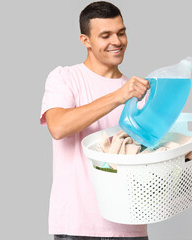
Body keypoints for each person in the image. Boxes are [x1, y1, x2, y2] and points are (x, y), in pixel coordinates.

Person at [40, 1, 150, 240]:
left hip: (130, 227)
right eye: (105, 35)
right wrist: (118, 96)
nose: (117, 42)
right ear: (85, 40)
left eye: (121, 32)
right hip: (78, 225)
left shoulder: (138, 92)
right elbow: (58, 127)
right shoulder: (65, 78)